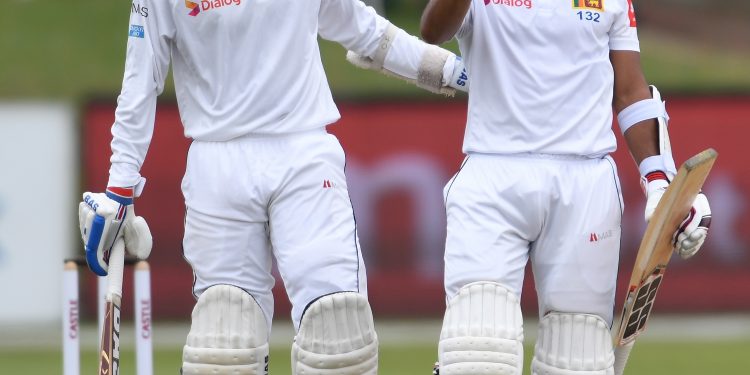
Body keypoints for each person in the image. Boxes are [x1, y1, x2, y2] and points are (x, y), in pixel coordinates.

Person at [77, 0, 467, 374]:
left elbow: (367, 33)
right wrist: (120, 188)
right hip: (218, 165)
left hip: (304, 157)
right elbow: (140, 80)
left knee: (339, 337)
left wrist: (452, 71)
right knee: (222, 349)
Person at [420, 1, 712, 374]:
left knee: (577, 360)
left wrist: (661, 182)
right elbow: (433, 30)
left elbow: (629, 90)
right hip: (493, 176)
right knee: (477, 357)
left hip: (585, 184)